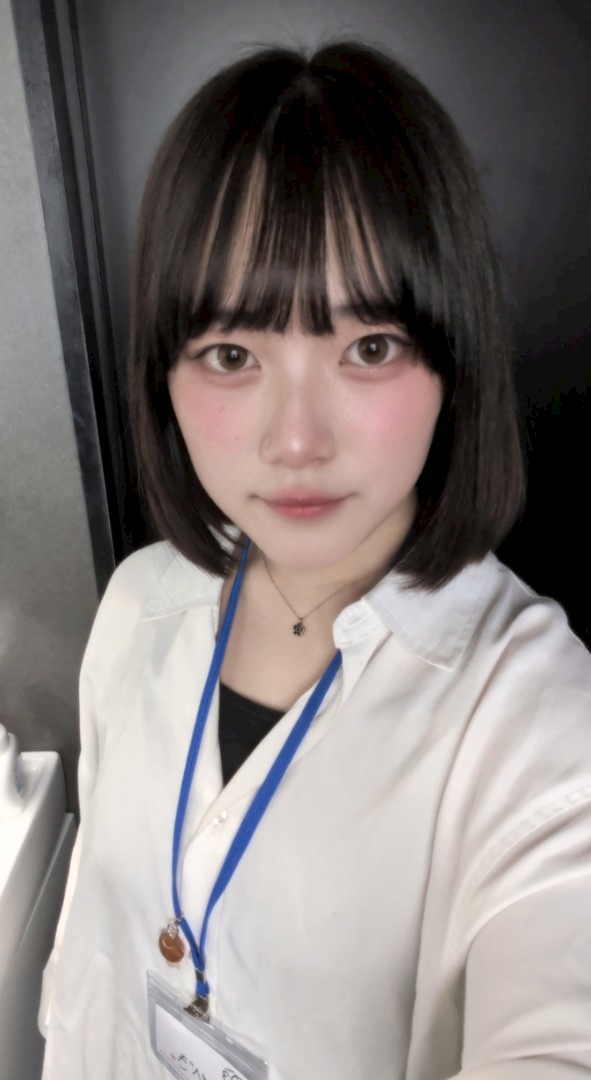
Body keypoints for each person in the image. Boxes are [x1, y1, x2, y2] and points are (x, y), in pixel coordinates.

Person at [39, 40, 591, 1080]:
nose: (296, 441)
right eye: (232, 355)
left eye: (369, 347)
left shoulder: (536, 719)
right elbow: (88, 964)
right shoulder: (136, 604)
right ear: (163, 372)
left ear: (454, 360)